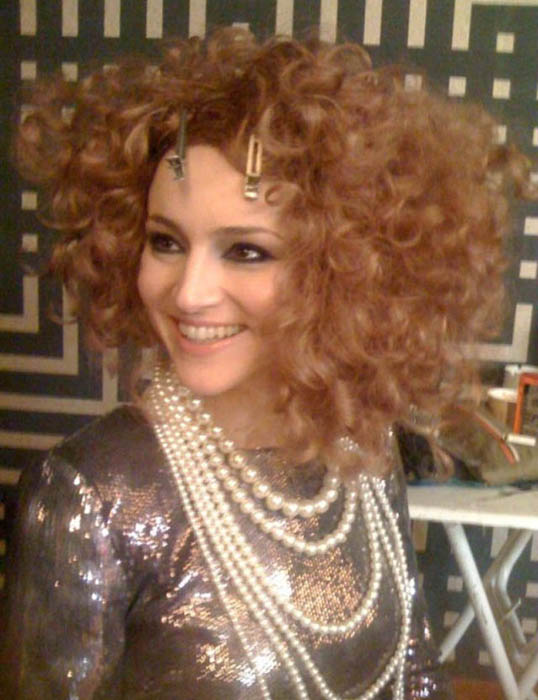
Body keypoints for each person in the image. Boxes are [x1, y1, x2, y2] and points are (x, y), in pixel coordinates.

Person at [3, 27, 535, 700]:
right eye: (165, 242)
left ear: (340, 270)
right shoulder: (90, 494)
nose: (189, 293)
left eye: (246, 251)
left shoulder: (362, 445)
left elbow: (414, 668)